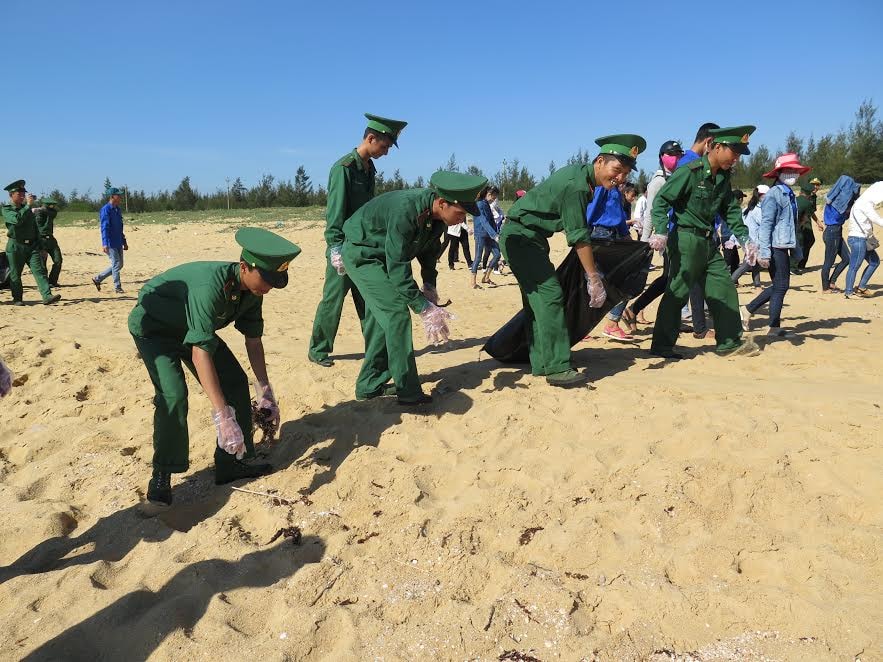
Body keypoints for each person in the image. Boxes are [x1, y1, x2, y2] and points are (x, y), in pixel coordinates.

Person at [127, 227, 301, 507]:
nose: (268, 287)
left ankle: (231, 463)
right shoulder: (210, 287)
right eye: (266, 279)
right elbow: (200, 354)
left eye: (274, 281)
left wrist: (265, 390)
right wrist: (222, 416)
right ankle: (162, 474)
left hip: (192, 329)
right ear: (244, 267)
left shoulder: (253, 291)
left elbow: (253, 341)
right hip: (154, 330)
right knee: (173, 395)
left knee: (234, 381)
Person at [501, 134, 646, 386]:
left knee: (538, 301)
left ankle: (543, 361)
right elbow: (579, 237)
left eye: (625, 173)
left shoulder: (585, 180)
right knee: (550, 295)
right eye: (617, 169)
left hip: (530, 237)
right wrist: (593, 278)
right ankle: (557, 368)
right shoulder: (577, 186)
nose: (620, 178)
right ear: (600, 161)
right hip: (521, 237)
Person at [342, 170, 487, 405]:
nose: (463, 220)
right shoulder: (406, 210)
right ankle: (408, 391)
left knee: (384, 320)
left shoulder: (437, 217)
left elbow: (429, 252)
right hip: (364, 254)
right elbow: (398, 267)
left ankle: (370, 384)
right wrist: (423, 307)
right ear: (442, 203)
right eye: (461, 213)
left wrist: (429, 286)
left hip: (384, 255)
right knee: (397, 314)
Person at [647, 126, 761, 359]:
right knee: (678, 292)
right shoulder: (690, 172)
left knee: (724, 288)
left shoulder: (722, 177)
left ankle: (728, 342)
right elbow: (661, 201)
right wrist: (660, 230)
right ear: (717, 147)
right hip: (686, 240)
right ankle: (662, 346)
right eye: (734, 153)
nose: (736, 159)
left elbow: (730, 210)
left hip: (709, 242)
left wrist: (745, 239)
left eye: (739, 155)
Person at [307, 113, 408, 367]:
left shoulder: (368, 169)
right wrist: (335, 247)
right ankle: (318, 349)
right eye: (384, 146)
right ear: (370, 138)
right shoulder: (344, 169)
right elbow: (336, 211)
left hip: (364, 248)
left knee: (370, 301)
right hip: (343, 247)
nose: (385, 153)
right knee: (333, 300)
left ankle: (374, 352)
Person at [741, 153, 811, 337]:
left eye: (795, 171)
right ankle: (751, 311)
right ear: (779, 172)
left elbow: (790, 225)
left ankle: (770, 324)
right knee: (781, 286)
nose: (793, 174)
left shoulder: (789, 194)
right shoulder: (773, 195)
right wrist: (764, 253)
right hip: (773, 247)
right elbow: (766, 225)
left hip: (782, 245)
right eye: (788, 170)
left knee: (780, 285)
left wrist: (795, 249)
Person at [626, 139, 685, 329]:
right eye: (672, 155)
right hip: (665, 238)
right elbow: (652, 213)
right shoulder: (658, 182)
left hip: (677, 236)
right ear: (662, 158)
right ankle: (636, 309)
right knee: (670, 278)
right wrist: (645, 243)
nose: (676, 159)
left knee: (671, 278)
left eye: (679, 155)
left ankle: (636, 309)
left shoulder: (676, 178)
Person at [2, 179, 61, 305]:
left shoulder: (26, 208)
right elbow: (17, 221)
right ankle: (17, 299)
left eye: (23, 193)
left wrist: (41, 246)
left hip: (32, 245)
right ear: (11, 195)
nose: (23, 196)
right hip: (16, 245)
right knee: (15, 274)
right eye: (19, 194)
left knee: (39, 270)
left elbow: (35, 228)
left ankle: (47, 296)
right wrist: (28, 206)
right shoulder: (7, 209)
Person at [820, 174, 861, 293]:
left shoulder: (833, 200)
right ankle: (825, 287)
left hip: (835, 232)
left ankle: (831, 282)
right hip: (833, 232)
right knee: (829, 261)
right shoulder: (837, 204)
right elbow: (842, 213)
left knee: (847, 258)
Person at [843, 180, 883, 298]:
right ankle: (849, 292)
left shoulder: (863, 202)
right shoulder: (864, 204)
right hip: (858, 239)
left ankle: (861, 286)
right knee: (854, 266)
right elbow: (876, 219)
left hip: (862, 238)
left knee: (874, 261)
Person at [731, 185, 769, 289]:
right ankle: (729, 283)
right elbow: (764, 224)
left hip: (746, 239)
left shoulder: (747, 209)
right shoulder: (758, 210)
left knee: (754, 263)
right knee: (747, 265)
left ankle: (757, 283)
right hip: (753, 241)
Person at [92, 187, 128, 293]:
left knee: (119, 265)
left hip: (118, 241)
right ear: (113, 196)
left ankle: (98, 278)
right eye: (118, 195)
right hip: (110, 242)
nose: (120, 197)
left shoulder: (117, 209)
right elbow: (104, 227)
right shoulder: (105, 209)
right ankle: (118, 287)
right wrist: (104, 244)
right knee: (116, 264)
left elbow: (120, 227)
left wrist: (124, 241)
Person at [471, 185, 501, 288]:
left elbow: (491, 221)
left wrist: (496, 233)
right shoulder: (479, 204)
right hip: (481, 234)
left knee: (497, 254)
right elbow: (483, 221)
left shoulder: (487, 204)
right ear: (489, 194)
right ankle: (473, 282)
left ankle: (486, 277)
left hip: (489, 234)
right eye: (494, 196)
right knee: (478, 257)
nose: (494, 199)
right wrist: (494, 235)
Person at [34, 197, 63, 286]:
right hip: (40, 239)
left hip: (51, 239)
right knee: (43, 263)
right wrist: (39, 210)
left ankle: (52, 281)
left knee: (58, 260)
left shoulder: (49, 212)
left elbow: (53, 213)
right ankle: (45, 282)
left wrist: (40, 209)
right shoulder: (39, 213)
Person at [720, 189, 745, 274]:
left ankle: (734, 280)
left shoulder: (726, 207)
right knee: (729, 261)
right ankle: (726, 280)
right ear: (740, 199)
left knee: (734, 260)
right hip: (730, 237)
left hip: (726, 236)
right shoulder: (735, 210)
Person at [793, 183, 816, 271]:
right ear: (809, 193)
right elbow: (806, 217)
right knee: (802, 243)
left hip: (790, 225)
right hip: (799, 226)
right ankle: (795, 266)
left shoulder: (794, 199)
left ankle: (799, 264)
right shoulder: (807, 203)